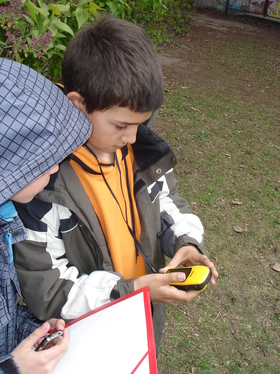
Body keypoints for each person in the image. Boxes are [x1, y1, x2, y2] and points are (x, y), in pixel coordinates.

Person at [13, 15, 218, 351]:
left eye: (141, 123)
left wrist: (186, 244)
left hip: (144, 318)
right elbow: (46, 290)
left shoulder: (140, 155)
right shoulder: (41, 183)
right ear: (78, 105)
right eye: (122, 125)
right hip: (90, 340)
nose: (133, 136)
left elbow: (169, 203)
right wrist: (131, 291)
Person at [0, 58, 93, 373]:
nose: (55, 168)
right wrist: (14, 368)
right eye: (41, 162)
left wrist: (36, 333)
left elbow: (5, 321)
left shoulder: (6, 223)